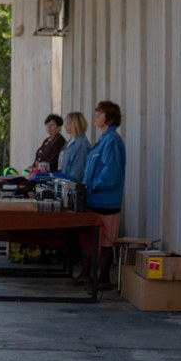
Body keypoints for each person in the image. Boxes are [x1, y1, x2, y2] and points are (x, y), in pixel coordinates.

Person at [76, 101, 126, 291]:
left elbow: (111, 174)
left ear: (109, 117)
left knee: (105, 241)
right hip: (96, 199)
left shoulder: (111, 140)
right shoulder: (105, 139)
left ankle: (103, 279)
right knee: (90, 238)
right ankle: (87, 275)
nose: (96, 117)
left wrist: (92, 186)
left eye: (99, 114)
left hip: (105, 201)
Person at [58, 111, 90, 182]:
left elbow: (77, 173)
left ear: (76, 125)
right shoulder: (71, 140)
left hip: (72, 186)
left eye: (68, 124)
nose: (65, 126)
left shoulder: (81, 145)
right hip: (65, 182)